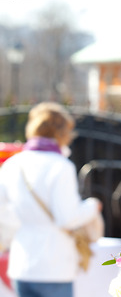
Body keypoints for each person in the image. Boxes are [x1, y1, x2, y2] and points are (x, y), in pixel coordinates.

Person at [0, 102, 102, 297]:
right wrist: (91, 207)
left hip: (22, 264)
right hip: (53, 266)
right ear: (62, 133)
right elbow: (68, 219)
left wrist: (21, 226)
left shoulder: (13, 164)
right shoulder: (61, 166)